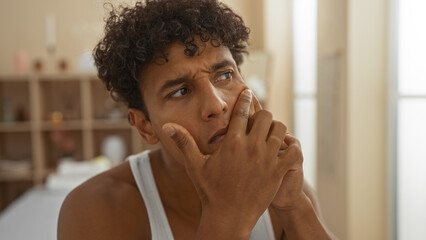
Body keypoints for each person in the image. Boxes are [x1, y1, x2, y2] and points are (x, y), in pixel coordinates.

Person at [58, 0, 335, 239]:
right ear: (145, 126)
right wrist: (227, 214)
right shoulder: (96, 209)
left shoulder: (285, 189)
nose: (216, 104)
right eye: (180, 91)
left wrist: (294, 205)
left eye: (225, 75)